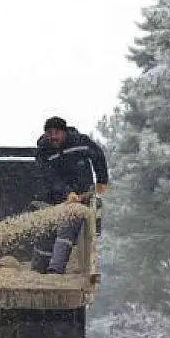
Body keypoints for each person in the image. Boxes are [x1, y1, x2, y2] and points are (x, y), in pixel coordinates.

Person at [30, 116, 110, 273]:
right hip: (56, 199)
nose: (53, 137)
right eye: (49, 133)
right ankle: (38, 271)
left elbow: (98, 155)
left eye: (56, 133)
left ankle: (55, 270)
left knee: (67, 226)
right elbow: (49, 177)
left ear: (65, 132)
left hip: (82, 196)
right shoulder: (43, 151)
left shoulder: (80, 142)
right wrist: (67, 193)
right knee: (46, 231)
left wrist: (102, 180)